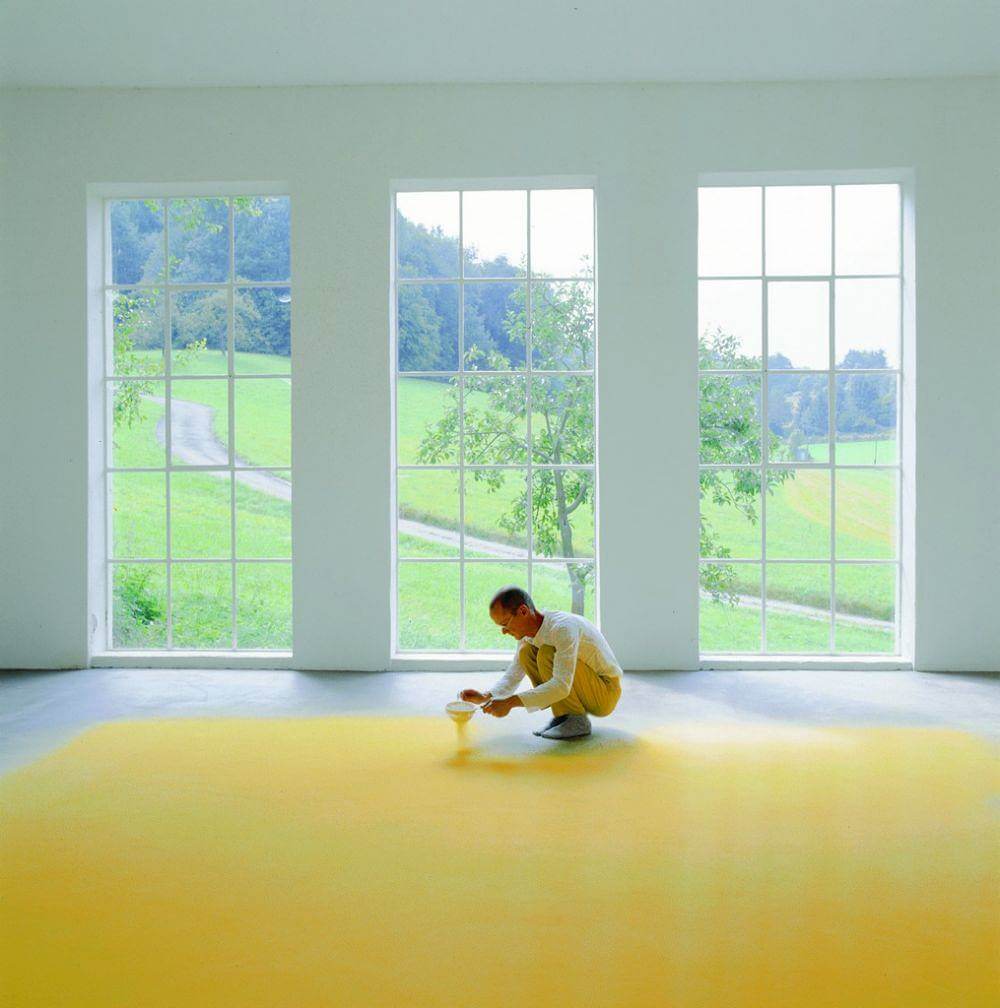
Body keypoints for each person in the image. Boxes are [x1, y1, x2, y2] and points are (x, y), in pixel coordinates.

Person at [459, 585, 623, 740]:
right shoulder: (527, 635)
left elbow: (561, 685)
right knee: (526, 651)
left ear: (523, 611)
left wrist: (509, 703)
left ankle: (576, 721)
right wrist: (487, 696)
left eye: (505, 623)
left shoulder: (562, 629)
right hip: (585, 687)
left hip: (605, 692)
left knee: (547, 653)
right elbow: (513, 675)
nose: (503, 631)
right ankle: (563, 717)